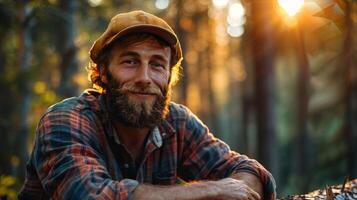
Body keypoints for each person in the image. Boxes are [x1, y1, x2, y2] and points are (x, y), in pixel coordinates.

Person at [19, 10, 276, 200]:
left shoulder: (177, 123)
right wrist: (212, 190)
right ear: (104, 73)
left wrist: (235, 187)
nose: (144, 78)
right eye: (130, 62)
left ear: (168, 76)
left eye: (156, 65)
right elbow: (88, 196)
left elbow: (251, 173)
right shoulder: (66, 119)